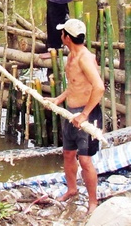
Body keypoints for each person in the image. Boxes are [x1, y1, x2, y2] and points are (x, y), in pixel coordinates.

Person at [45, 19, 104, 214]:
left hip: (87, 115)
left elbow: (99, 87)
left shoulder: (85, 58)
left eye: (62, 33)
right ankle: (72, 189)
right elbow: (74, 85)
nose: (61, 36)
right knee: (68, 153)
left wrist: (85, 114)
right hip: (71, 113)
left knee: (85, 160)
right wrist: (59, 99)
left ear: (67, 37)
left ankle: (93, 202)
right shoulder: (71, 56)